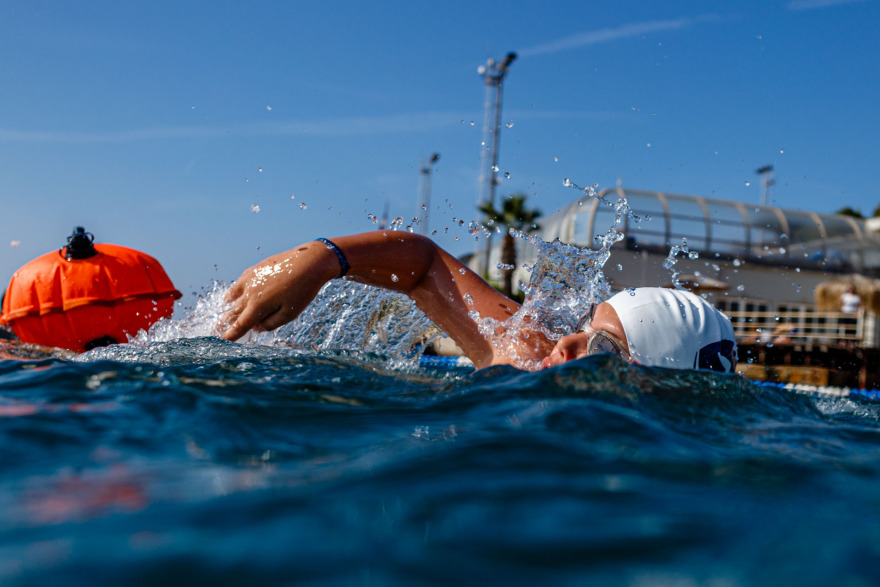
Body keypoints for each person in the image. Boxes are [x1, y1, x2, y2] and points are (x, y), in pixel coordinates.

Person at [221, 231, 737, 373]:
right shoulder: (530, 354)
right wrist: (321, 259)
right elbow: (424, 266)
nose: (569, 341)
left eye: (602, 347)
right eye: (585, 323)